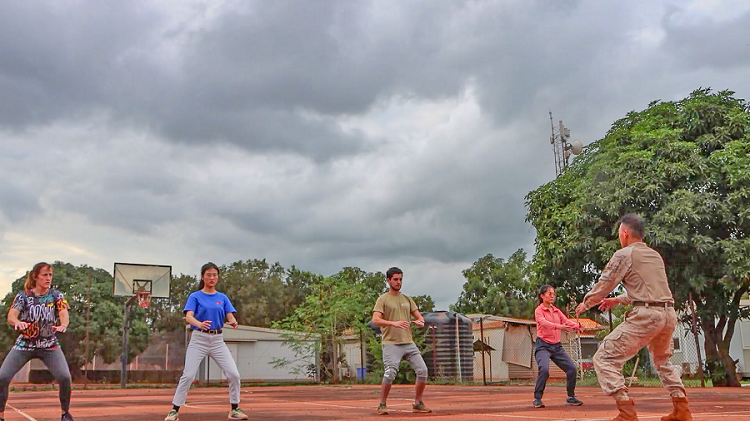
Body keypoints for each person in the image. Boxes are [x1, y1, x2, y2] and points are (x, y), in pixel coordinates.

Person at [575, 214, 693, 421]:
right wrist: (617, 300)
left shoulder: (624, 254)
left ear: (625, 233)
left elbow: (606, 282)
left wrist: (586, 303)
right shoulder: (655, 255)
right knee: (663, 361)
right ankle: (681, 409)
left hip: (647, 316)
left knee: (604, 358)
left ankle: (626, 411)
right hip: (668, 314)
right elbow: (648, 290)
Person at [164, 262, 248, 421]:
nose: (212, 277)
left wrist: (233, 321)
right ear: (203, 277)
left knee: (234, 374)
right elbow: (188, 316)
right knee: (188, 375)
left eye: (214, 275)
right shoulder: (195, 296)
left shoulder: (222, 297)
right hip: (199, 339)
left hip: (217, 340)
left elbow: (230, 315)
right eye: (208, 274)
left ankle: (235, 409)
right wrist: (198, 324)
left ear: (217, 277)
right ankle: (174, 410)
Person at [0, 262, 74, 421]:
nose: (48, 278)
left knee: (65, 377)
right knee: (2, 377)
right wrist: (17, 322)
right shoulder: (24, 296)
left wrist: (63, 325)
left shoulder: (56, 296)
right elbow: (11, 315)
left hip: (49, 345)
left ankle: (65, 413)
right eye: (44, 275)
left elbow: (63, 313)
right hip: (25, 345)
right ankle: (0, 415)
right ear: (35, 277)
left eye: (50, 275)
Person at [371, 267, 431, 415]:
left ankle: (417, 403)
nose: (399, 282)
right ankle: (382, 404)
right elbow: (375, 320)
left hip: (408, 342)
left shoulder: (407, 299)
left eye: (400, 279)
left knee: (423, 371)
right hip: (391, 343)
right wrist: (393, 323)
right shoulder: (383, 299)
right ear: (388, 280)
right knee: (390, 373)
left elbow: (420, 317)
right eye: (396, 279)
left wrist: (420, 321)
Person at [533, 285, 584, 408]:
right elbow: (544, 323)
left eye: (553, 294)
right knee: (544, 369)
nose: (552, 296)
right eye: (549, 293)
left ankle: (571, 397)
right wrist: (560, 327)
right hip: (543, 345)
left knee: (572, 369)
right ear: (542, 296)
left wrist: (578, 326)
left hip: (556, 346)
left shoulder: (556, 310)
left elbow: (566, 321)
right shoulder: (539, 310)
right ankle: (537, 398)